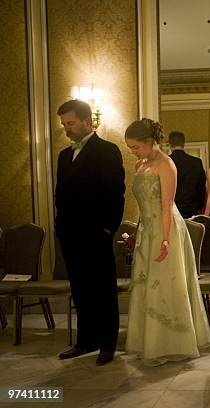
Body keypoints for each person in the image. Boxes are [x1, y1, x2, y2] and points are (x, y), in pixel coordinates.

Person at [124, 118, 210, 366]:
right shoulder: (141, 165)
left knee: (165, 285)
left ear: (150, 142)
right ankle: (150, 343)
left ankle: (171, 344)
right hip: (147, 231)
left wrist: (164, 240)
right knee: (147, 286)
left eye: (136, 147)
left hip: (167, 229)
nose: (133, 152)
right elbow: (143, 206)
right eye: (130, 147)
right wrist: (136, 231)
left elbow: (165, 205)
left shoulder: (167, 164)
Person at [55, 99, 125, 366]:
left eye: (70, 123)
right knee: (80, 289)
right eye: (64, 125)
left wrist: (108, 228)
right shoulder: (64, 155)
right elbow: (60, 194)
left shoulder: (107, 150)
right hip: (69, 234)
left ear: (87, 121)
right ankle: (86, 341)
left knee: (103, 289)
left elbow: (115, 192)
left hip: (97, 233)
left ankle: (107, 344)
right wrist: (60, 224)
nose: (67, 129)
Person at [168, 131, 207, 218]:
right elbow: (201, 187)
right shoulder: (196, 162)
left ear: (170, 144)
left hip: (171, 209)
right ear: (183, 143)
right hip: (192, 209)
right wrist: (199, 207)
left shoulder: (166, 162)